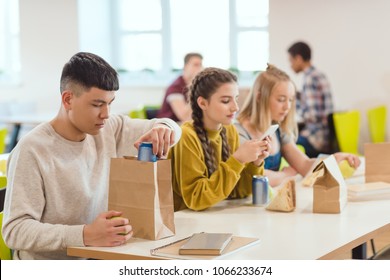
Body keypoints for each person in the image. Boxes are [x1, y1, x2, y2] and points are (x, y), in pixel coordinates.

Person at [2, 52, 181, 260]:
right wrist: (85, 234)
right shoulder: (31, 150)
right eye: (97, 105)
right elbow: (15, 231)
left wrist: (165, 128)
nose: (105, 114)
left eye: (110, 103)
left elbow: (174, 129)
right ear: (68, 99)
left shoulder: (108, 128)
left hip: (96, 256)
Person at [235, 64, 360, 187]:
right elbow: (251, 178)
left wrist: (335, 159)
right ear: (259, 97)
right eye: (281, 99)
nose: (287, 107)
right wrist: (284, 175)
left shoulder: (278, 131)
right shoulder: (238, 133)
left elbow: (305, 165)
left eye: (290, 100)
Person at [169, 67, 270, 211]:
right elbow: (196, 198)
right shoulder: (187, 136)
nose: (235, 107)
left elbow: (238, 192)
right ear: (203, 103)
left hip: (215, 218)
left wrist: (255, 163)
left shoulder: (229, 131)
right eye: (225, 101)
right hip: (185, 222)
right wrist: (238, 160)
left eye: (235, 99)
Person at [287, 41, 334, 157]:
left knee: (286, 144)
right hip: (327, 136)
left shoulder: (309, 79)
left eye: (291, 61)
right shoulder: (319, 74)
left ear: (298, 58)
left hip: (317, 138)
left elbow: (313, 116)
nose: (290, 65)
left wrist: (294, 103)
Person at [157, 53, 203, 122]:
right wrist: (196, 90)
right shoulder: (174, 88)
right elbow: (184, 118)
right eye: (195, 65)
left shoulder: (196, 85)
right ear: (185, 66)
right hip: (169, 127)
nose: (199, 68)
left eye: (200, 65)